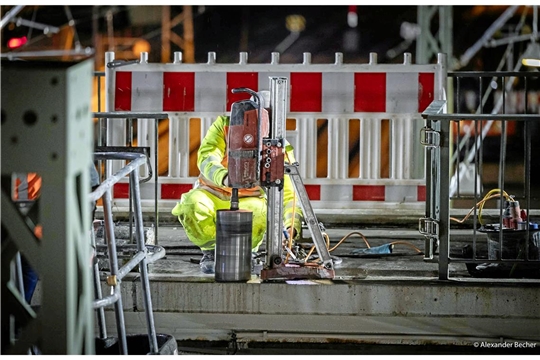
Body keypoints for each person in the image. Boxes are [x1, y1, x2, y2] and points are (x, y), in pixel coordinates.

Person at [172, 91, 304, 274]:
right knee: (193, 206)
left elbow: (289, 194)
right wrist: (225, 177)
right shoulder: (224, 127)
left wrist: (291, 228)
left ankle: (247, 251)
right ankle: (211, 251)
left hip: (250, 199)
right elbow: (207, 157)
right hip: (212, 192)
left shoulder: (279, 147)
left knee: (257, 213)